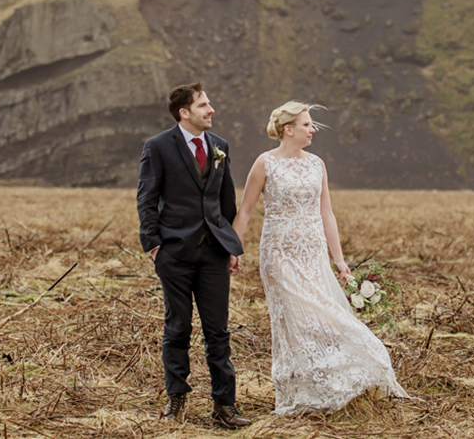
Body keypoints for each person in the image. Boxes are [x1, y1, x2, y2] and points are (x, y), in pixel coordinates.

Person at [231, 101, 409, 415]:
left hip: (313, 256)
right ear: (288, 129)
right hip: (279, 256)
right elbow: (245, 210)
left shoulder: (317, 164)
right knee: (297, 324)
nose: (313, 129)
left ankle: (332, 386)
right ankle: (304, 394)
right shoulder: (265, 163)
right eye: (307, 124)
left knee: (327, 318)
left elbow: (326, 213)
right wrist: (233, 248)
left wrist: (339, 261)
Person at [137, 82, 251, 429]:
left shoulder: (220, 147)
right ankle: (177, 401)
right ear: (184, 112)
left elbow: (226, 201)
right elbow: (146, 198)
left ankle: (224, 406)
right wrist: (154, 245)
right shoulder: (157, 147)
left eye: (209, 103)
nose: (211, 109)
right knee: (178, 328)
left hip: (214, 253)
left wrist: (231, 245)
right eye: (203, 105)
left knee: (218, 330)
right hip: (174, 253)